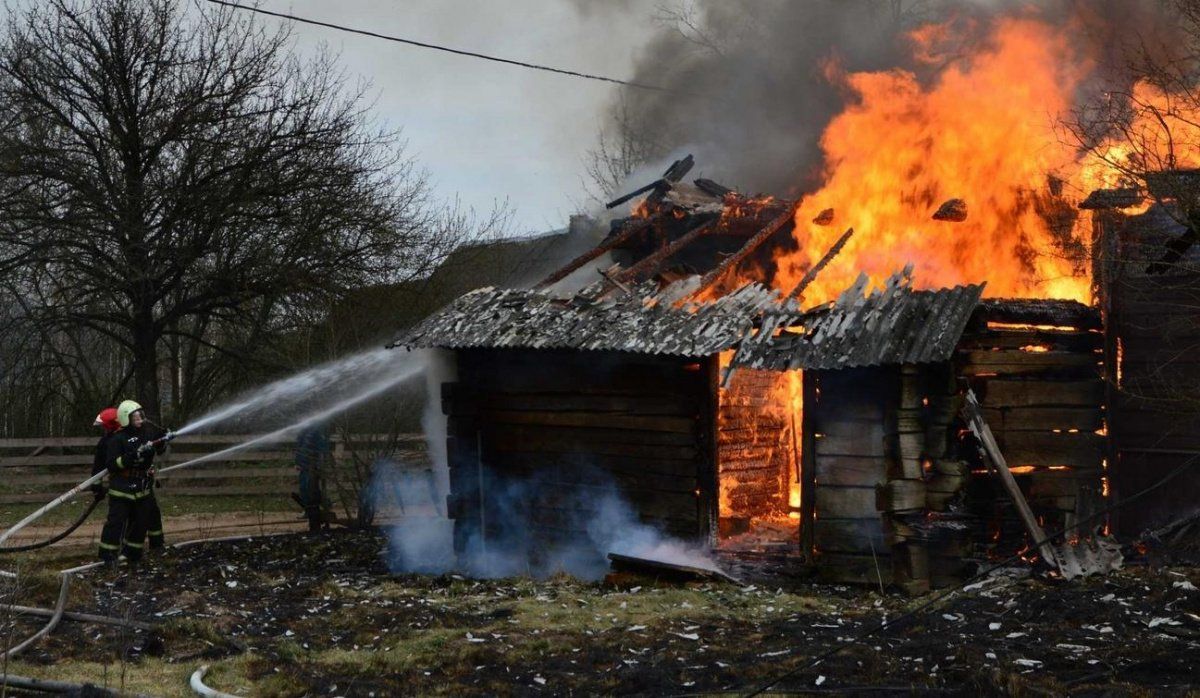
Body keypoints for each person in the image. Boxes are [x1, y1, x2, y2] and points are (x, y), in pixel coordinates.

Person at [99, 400, 167, 564]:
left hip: (142, 487)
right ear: (125, 419)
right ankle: (108, 556)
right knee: (116, 523)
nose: (140, 419)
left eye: (140, 416)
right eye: (135, 417)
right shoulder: (117, 439)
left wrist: (162, 440)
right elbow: (111, 464)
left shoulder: (147, 434)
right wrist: (130, 457)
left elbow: (159, 449)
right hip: (122, 487)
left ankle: (133, 554)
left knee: (141, 523)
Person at [294, 424, 332, 532]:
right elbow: (299, 448)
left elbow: (323, 449)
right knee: (304, 489)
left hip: (312, 467)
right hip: (304, 466)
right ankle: (310, 510)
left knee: (311, 490)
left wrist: (319, 465)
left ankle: (321, 507)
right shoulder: (303, 433)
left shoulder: (316, 433)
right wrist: (298, 462)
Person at [90, 407, 120, 498]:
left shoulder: (105, 443)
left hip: (119, 486)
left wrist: (97, 488)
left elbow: (98, 466)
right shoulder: (133, 437)